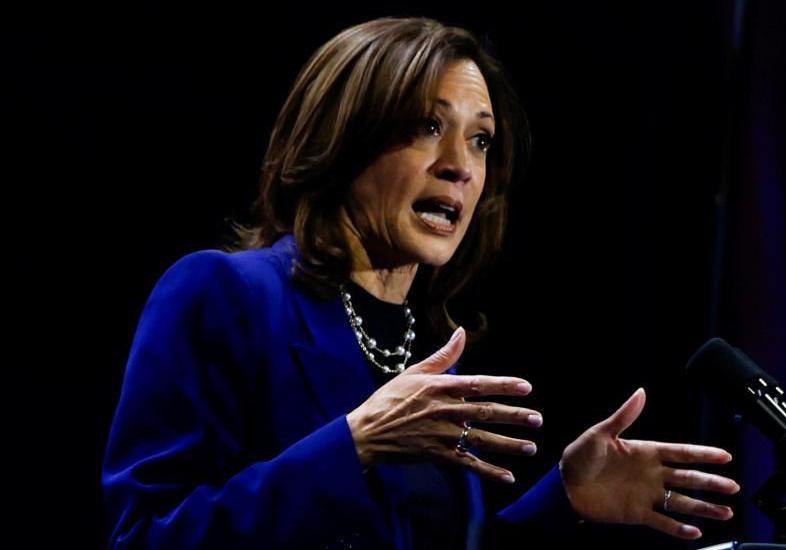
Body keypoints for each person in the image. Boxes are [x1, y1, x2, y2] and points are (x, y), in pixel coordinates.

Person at [102, 16, 740, 549]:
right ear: (344, 138)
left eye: (481, 139)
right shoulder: (223, 295)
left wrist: (563, 498)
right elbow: (144, 536)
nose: (460, 166)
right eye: (428, 127)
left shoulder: (429, 348)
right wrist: (352, 446)